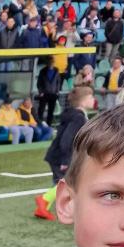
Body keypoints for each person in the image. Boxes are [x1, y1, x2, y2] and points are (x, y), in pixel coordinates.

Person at [33, 84, 94, 220]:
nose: (93, 100)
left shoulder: (74, 115)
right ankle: (44, 200)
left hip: (58, 155)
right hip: (61, 156)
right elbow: (66, 140)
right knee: (68, 182)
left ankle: (43, 207)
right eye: (91, 97)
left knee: (62, 182)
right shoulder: (78, 117)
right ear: (83, 101)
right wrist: (65, 161)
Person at [36, 61, 61, 127]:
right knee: (41, 110)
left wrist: (57, 91)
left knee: (51, 111)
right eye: (50, 62)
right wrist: (41, 92)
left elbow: (58, 82)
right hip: (44, 94)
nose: (51, 64)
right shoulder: (42, 71)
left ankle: (49, 125)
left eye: (52, 62)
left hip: (53, 94)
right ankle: (40, 124)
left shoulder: (56, 71)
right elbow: (39, 82)